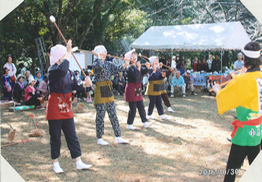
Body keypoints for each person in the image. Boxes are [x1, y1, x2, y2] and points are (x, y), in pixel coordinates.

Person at [213, 42, 262, 182]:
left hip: (243, 134)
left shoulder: (245, 79)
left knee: (232, 171)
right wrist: (239, 76)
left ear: (245, 60)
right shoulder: (257, 76)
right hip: (258, 132)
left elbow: (227, 95)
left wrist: (217, 90)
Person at [46, 40, 92, 173]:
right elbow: (62, 69)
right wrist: (68, 52)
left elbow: (75, 86)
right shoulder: (53, 70)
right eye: (64, 54)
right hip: (55, 106)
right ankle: (55, 163)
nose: (67, 57)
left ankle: (78, 161)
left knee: (72, 135)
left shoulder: (69, 71)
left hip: (66, 106)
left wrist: (85, 84)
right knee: (55, 137)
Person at [92, 45, 129, 145]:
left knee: (113, 114)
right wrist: (98, 57)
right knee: (100, 115)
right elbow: (100, 66)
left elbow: (118, 69)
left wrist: (125, 64)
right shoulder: (95, 64)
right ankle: (99, 138)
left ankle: (118, 136)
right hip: (100, 90)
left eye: (104, 52)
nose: (103, 54)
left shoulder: (109, 63)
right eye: (101, 52)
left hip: (108, 90)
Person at [124, 49, 154, 130]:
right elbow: (136, 76)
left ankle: (145, 122)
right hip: (131, 88)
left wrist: (147, 68)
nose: (134, 57)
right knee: (133, 108)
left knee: (141, 105)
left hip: (137, 88)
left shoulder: (136, 66)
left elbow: (143, 72)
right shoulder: (128, 67)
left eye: (135, 56)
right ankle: (129, 124)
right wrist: (139, 67)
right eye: (132, 56)